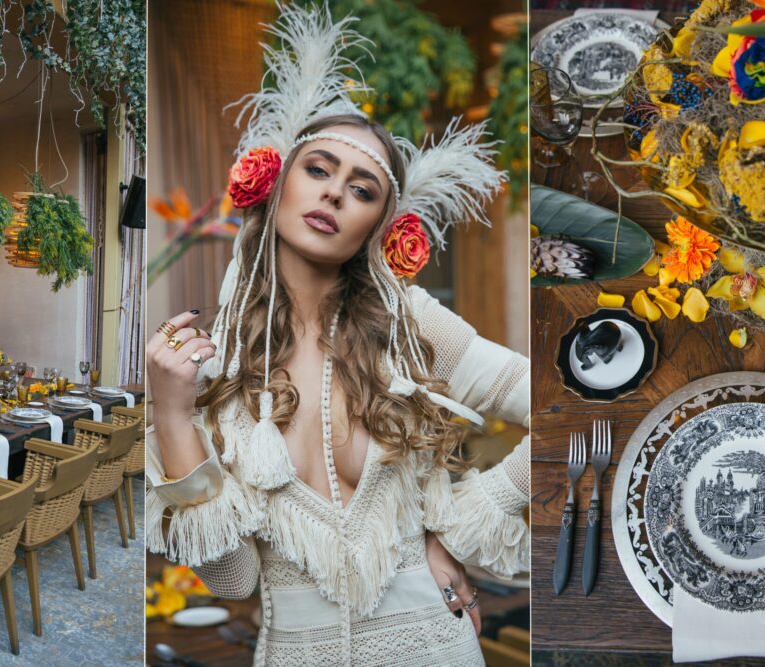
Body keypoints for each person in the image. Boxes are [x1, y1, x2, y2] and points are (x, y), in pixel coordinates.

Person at [146, 7, 528, 665]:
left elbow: (550, 405)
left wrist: (453, 532)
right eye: (318, 169)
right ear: (277, 182)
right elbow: (233, 577)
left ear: (378, 224)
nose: (333, 196)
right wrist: (173, 415)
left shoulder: (412, 327)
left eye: (362, 189)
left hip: (435, 646)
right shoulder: (220, 364)